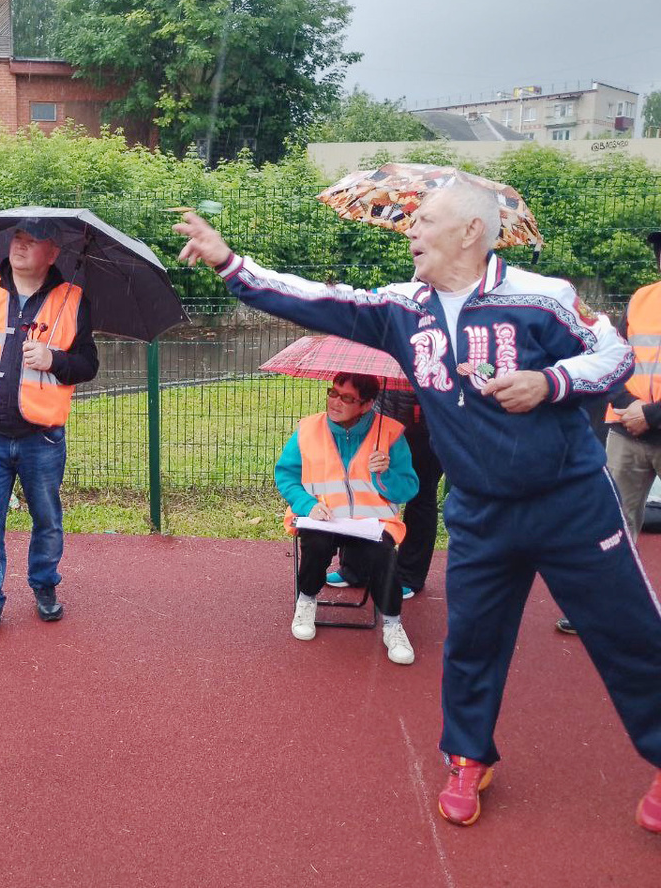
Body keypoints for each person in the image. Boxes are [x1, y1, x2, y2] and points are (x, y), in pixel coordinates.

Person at [174, 181, 661, 834]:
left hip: (571, 506)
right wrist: (230, 262)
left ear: (470, 232)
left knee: (629, 635)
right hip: (481, 515)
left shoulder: (543, 298)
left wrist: (551, 382)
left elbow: (615, 354)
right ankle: (468, 758)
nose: (411, 228)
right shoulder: (402, 307)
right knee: (472, 643)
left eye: (425, 219)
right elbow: (316, 300)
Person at [0, 218, 99, 642]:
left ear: (53, 253)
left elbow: (89, 365)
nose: (20, 247)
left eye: (32, 242)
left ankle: (44, 584)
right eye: (17, 239)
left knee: (46, 517)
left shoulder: (72, 300)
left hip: (42, 439)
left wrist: (55, 359)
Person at [557, 230, 661, 634]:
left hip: (647, 421)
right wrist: (622, 404)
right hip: (627, 432)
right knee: (612, 526)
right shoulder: (641, 299)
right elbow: (612, 356)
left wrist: (651, 414)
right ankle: (601, 610)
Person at [278, 372, 419, 664]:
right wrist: (307, 505)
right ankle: (306, 600)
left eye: (346, 398)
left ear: (366, 404)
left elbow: (408, 489)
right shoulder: (308, 429)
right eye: (332, 392)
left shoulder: (390, 433)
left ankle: (392, 623)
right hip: (322, 518)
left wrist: (385, 473)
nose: (335, 401)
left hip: (371, 524)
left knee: (383, 554)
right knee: (315, 544)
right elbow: (286, 475)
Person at [330, 387, 443, 600]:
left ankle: (408, 575)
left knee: (420, 496)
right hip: (382, 420)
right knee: (364, 489)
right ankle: (355, 569)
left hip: (427, 425)